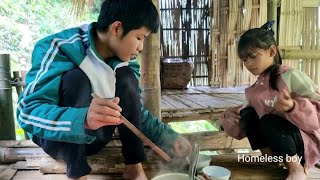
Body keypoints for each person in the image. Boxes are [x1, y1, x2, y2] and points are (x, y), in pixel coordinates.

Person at [16, 0, 191, 179]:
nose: (140, 48)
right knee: (76, 79)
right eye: (139, 38)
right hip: (57, 141)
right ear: (116, 28)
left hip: (93, 140)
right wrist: (82, 119)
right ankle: (77, 173)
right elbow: (27, 112)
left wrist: (169, 137)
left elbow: (133, 113)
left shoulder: (126, 61)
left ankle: (134, 167)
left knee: (127, 77)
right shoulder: (58, 48)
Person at [220, 21, 320, 180]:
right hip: (279, 148)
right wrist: (228, 118)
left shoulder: (291, 77)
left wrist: (292, 107)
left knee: (268, 121)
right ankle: (273, 159)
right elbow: (242, 130)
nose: (248, 64)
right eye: (244, 60)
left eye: (253, 57)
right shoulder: (255, 90)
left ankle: (296, 169)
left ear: (272, 51)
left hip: (303, 146)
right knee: (248, 114)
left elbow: (316, 119)